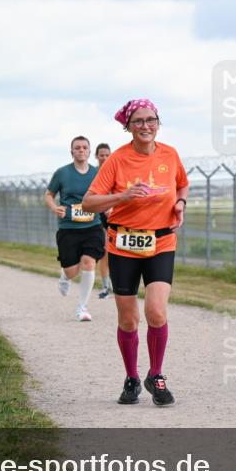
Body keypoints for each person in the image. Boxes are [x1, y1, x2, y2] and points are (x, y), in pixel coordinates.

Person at [83, 99, 189, 407]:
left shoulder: (170, 154)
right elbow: (89, 203)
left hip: (161, 242)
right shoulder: (117, 160)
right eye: (139, 121)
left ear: (158, 122)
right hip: (124, 245)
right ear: (128, 127)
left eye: (151, 120)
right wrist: (124, 195)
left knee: (156, 311)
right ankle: (131, 378)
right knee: (129, 320)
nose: (146, 126)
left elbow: (182, 186)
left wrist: (180, 204)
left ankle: (156, 375)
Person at [45, 136, 105, 322]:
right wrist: (55, 208)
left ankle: (82, 307)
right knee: (72, 271)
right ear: (72, 152)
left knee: (89, 262)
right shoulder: (62, 173)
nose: (81, 150)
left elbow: (105, 195)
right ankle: (65, 275)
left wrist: (108, 208)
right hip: (69, 227)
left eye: (84, 147)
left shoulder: (97, 173)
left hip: (92, 226)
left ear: (89, 151)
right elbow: (49, 194)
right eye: (77, 147)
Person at [95, 143, 114, 299]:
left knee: (117, 251)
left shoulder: (115, 170)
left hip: (114, 215)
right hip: (99, 216)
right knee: (105, 252)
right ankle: (105, 286)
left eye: (107, 155)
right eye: (102, 155)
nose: (104, 158)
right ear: (97, 156)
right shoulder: (93, 173)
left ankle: (117, 285)